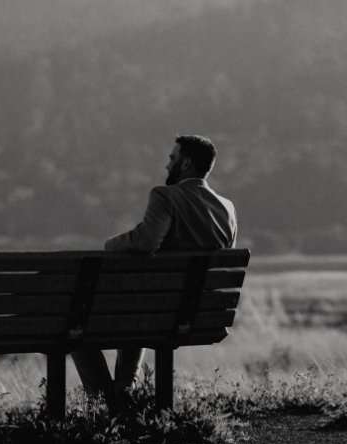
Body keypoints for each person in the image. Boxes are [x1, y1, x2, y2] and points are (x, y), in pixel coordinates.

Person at [71, 135, 237, 411]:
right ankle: (123, 396)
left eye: (172, 159)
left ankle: (110, 407)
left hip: (159, 312)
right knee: (139, 317)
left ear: (185, 164)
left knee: (75, 331)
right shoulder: (227, 208)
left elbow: (146, 242)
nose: (167, 165)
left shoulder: (165, 196)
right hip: (199, 316)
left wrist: (111, 245)